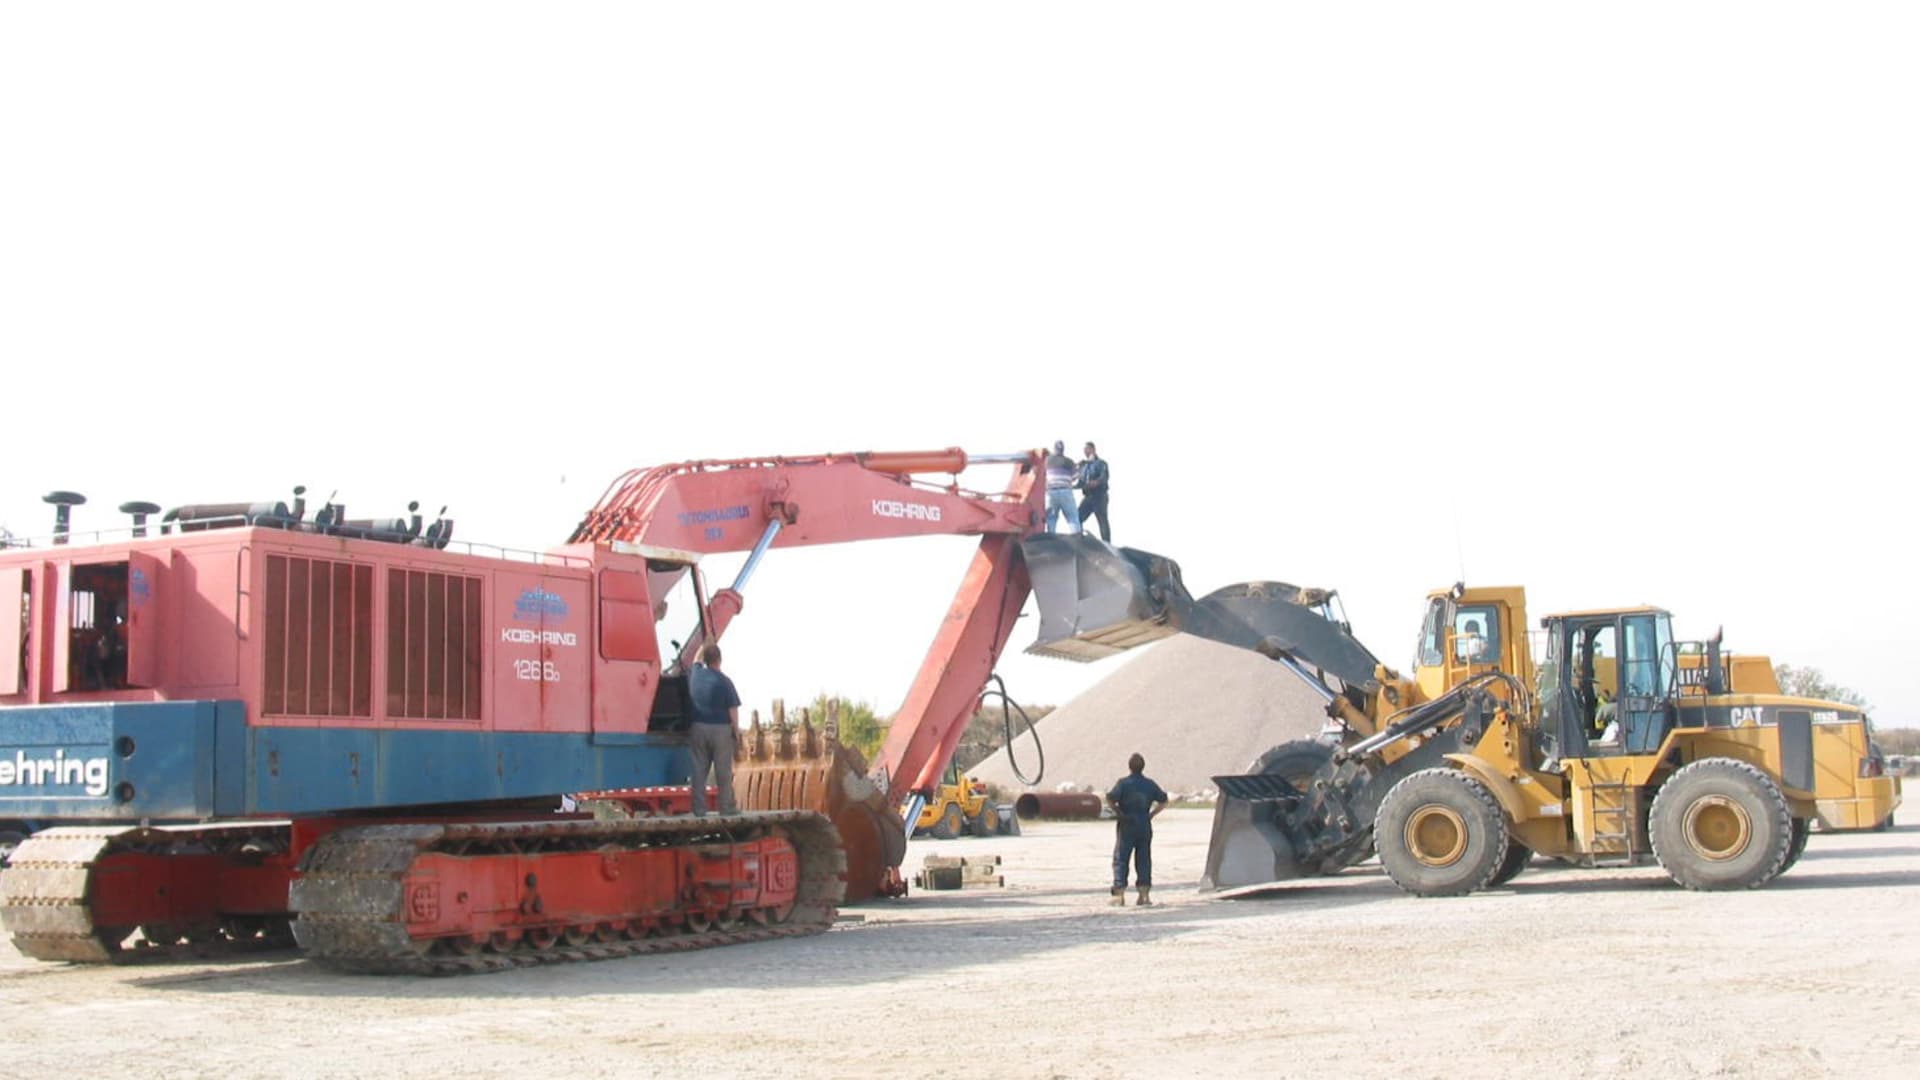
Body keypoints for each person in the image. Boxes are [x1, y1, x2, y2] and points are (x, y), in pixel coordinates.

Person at [1105, 752, 1168, 907]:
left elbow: (1110, 798)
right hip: (1144, 824)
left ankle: (1119, 895)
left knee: (1121, 858)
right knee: (1144, 858)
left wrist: (1119, 812)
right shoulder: (1150, 784)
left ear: (1129, 767)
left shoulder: (1123, 784)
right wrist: (1151, 814)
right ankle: (1144, 894)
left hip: (1127, 824)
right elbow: (1164, 801)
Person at [686, 643, 742, 816]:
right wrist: (736, 731)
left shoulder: (695, 675)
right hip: (720, 730)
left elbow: (696, 659)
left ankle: (699, 809)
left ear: (705, 659)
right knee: (723, 771)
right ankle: (726, 808)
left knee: (698, 770)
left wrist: (703, 645)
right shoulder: (725, 682)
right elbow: (732, 710)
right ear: (719, 660)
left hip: (698, 728)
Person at [1044, 440, 1081, 535]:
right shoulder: (1069, 461)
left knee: (1051, 519)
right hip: (1065, 492)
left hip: (1051, 492)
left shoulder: (1047, 461)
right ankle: (1077, 539)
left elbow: (1042, 475)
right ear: (1063, 450)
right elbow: (1076, 476)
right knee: (1072, 518)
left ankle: (1051, 540)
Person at [1075, 441, 1110, 542]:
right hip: (1088, 496)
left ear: (1093, 449)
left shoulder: (1101, 464)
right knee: (1077, 518)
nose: (1085, 452)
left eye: (1087, 449)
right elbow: (1080, 482)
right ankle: (1079, 541)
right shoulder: (1084, 467)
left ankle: (1107, 544)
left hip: (1099, 496)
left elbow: (1104, 477)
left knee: (1102, 520)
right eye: (1084, 450)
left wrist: (1096, 482)